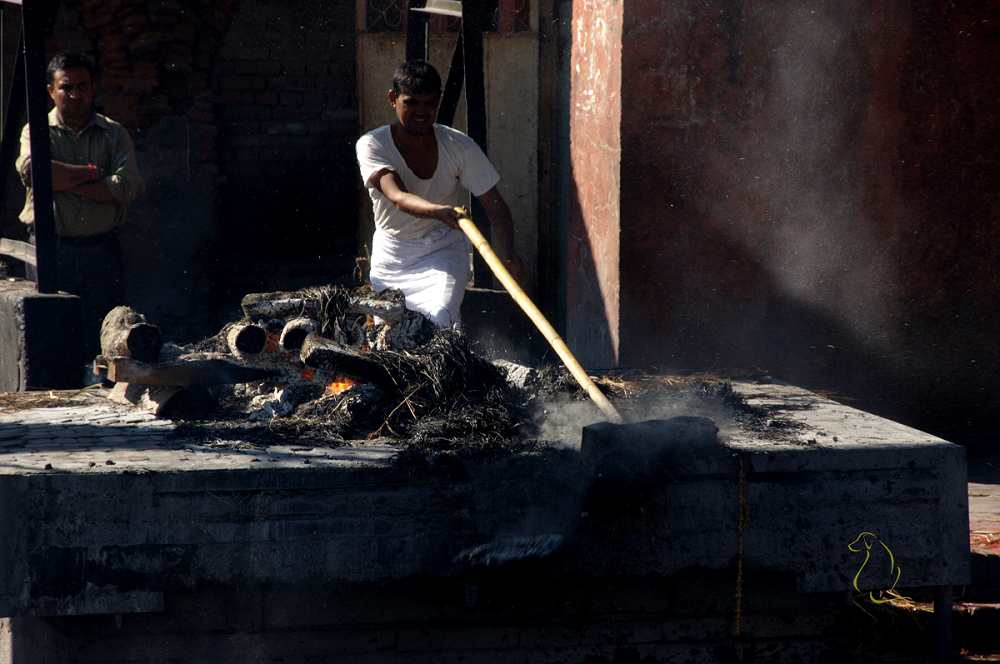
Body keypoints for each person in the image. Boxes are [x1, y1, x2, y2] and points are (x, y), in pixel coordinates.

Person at [356, 60, 521, 328]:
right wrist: (439, 212)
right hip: (392, 257)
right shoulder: (372, 144)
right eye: (411, 103)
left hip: (442, 250)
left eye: (429, 104)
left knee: (440, 320)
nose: (421, 112)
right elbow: (397, 196)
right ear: (392, 99)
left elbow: (495, 206)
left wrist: (510, 256)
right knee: (388, 337)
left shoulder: (458, 145)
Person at [15, 51, 145, 355]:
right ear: (51, 90)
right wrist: (91, 174)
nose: (75, 94)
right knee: (52, 335)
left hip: (101, 251)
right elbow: (34, 173)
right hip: (51, 250)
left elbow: (127, 187)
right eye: (66, 87)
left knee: (106, 333)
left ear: (93, 88)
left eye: (82, 86)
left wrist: (63, 182)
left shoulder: (113, 134)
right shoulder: (36, 131)